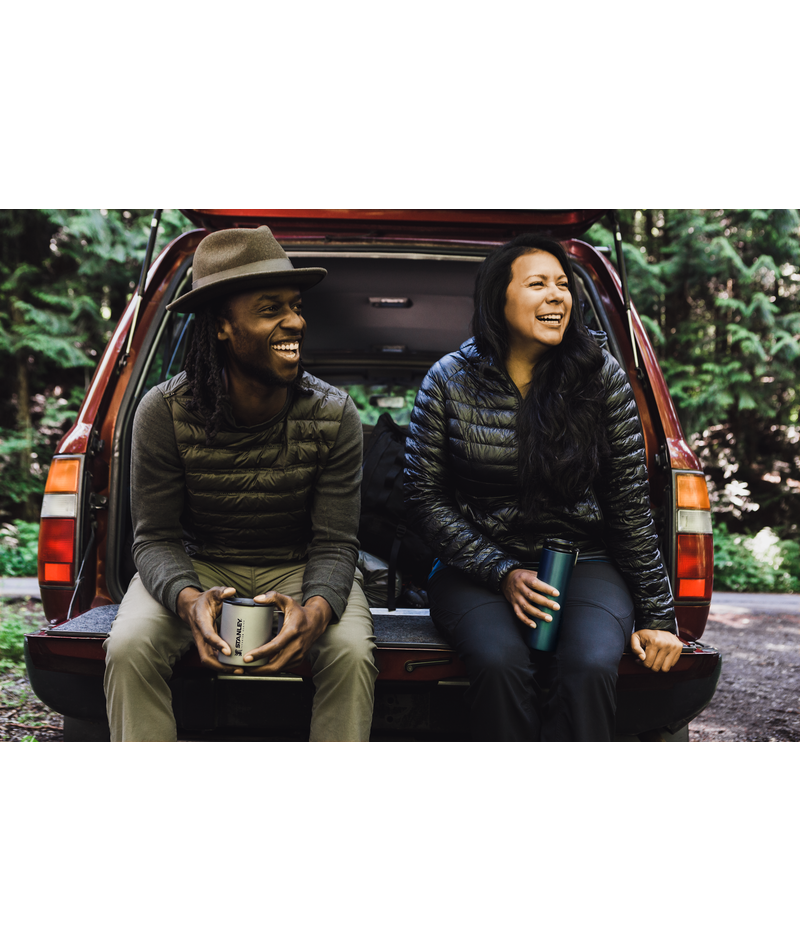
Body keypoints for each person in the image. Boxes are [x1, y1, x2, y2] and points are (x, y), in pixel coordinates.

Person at [103, 226, 378, 741]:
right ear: (222, 327)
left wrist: (316, 613)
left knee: (351, 651)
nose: (295, 320)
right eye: (271, 308)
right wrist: (188, 600)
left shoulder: (335, 413)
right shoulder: (163, 412)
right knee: (128, 645)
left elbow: (336, 542)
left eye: (296, 305)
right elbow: (155, 538)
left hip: (300, 563)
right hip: (202, 561)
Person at [404, 234, 682, 742]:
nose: (557, 295)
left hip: (586, 561)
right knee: (499, 663)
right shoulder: (448, 380)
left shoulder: (601, 377)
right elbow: (424, 499)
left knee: (591, 666)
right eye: (538, 284)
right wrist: (502, 570)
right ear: (498, 299)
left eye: (563, 284)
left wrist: (660, 617)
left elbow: (628, 505)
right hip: (477, 567)